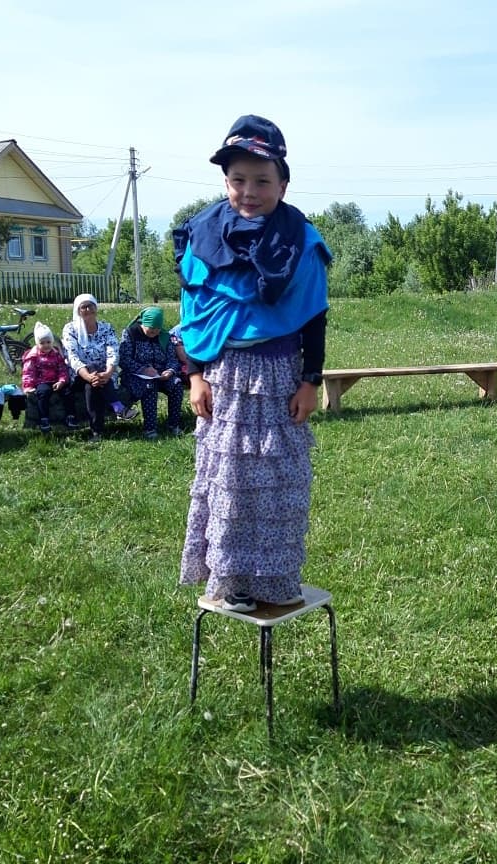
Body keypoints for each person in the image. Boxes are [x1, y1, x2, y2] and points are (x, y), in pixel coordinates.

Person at [175, 114, 331, 612]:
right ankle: (233, 583)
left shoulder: (301, 241)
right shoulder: (202, 237)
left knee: (281, 484)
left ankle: (276, 581)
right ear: (225, 182)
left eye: (262, 180)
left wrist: (310, 381)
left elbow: (315, 316)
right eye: (238, 179)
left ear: (283, 184)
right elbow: (192, 315)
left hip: (281, 379)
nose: (249, 191)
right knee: (231, 484)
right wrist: (195, 376)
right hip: (223, 380)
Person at [60, 294, 137, 442]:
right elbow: (72, 357)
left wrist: (107, 373)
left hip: (105, 375)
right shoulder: (70, 329)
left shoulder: (106, 328)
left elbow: (113, 351)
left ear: (96, 308)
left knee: (92, 386)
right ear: (78, 310)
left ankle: (97, 433)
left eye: (90, 306)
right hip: (79, 375)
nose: (87, 309)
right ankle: (118, 407)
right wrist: (88, 376)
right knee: (92, 370)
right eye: (83, 307)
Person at [119, 306, 184, 440]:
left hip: (161, 375)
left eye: (157, 329)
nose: (154, 332)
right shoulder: (131, 334)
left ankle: (173, 424)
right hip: (136, 375)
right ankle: (150, 429)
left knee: (176, 384)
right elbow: (124, 359)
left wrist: (169, 371)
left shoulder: (165, 337)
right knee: (149, 386)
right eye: (151, 328)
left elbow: (173, 359)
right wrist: (143, 369)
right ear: (143, 323)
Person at [21, 321, 78, 433]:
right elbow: (28, 372)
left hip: (57, 380)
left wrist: (62, 380)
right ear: (37, 343)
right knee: (43, 393)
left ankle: (71, 416)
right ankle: (44, 418)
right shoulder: (33, 356)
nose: (46, 345)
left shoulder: (56, 353)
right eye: (42, 343)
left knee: (67, 392)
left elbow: (62, 368)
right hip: (42, 381)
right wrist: (28, 386)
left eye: (48, 342)